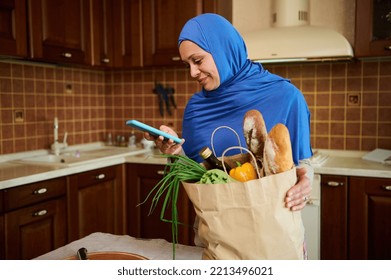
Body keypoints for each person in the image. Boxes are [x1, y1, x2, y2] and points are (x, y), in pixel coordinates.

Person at [145, 13, 313, 211]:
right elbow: (193, 177)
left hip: (273, 227)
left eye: (197, 61)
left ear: (223, 50)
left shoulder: (287, 97)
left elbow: (303, 165)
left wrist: (305, 184)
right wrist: (175, 152)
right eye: (187, 65)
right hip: (216, 231)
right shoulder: (196, 108)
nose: (192, 73)